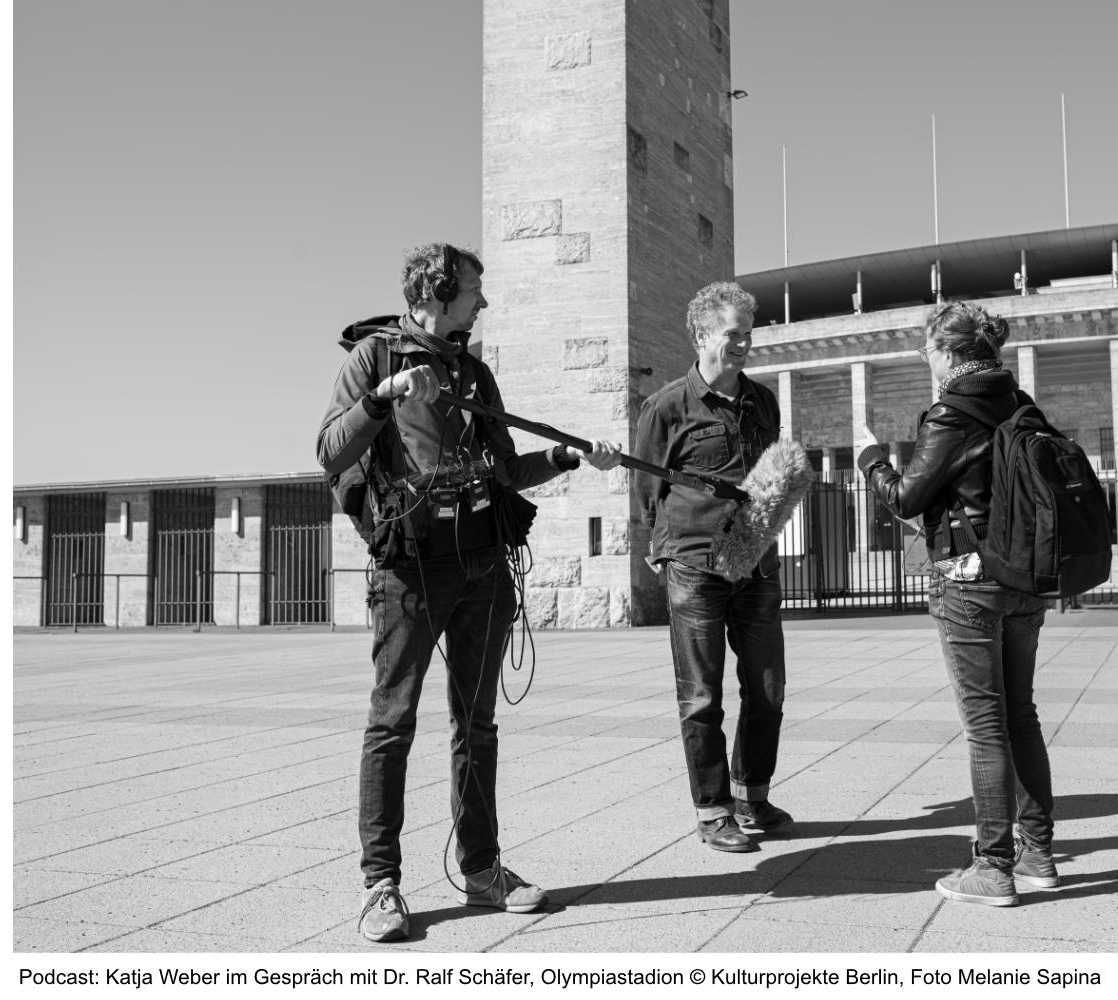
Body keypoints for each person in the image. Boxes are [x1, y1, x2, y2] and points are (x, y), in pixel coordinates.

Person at [316, 242, 622, 942]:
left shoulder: (475, 372)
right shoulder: (374, 360)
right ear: (436, 291)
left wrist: (569, 456)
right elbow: (329, 450)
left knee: (476, 725)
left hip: (484, 569)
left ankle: (482, 869)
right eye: (474, 291)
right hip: (410, 574)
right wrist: (383, 398)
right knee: (392, 722)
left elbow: (504, 469)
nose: (482, 303)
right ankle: (381, 885)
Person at [856, 300, 1058, 906]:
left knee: (986, 726)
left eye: (928, 352)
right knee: (1020, 715)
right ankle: (1038, 855)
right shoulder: (1023, 406)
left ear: (948, 354)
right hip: (1024, 582)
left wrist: (871, 459)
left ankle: (993, 867)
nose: (928, 362)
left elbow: (907, 498)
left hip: (969, 584)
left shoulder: (951, 411)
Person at [633, 281, 792, 853]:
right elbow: (646, 488)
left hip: (756, 562)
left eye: (750, 332)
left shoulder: (764, 402)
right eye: (734, 333)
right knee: (701, 695)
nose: (746, 343)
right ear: (702, 336)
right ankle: (713, 810)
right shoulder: (668, 406)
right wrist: (662, 547)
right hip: (694, 565)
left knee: (767, 688)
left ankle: (753, 795)